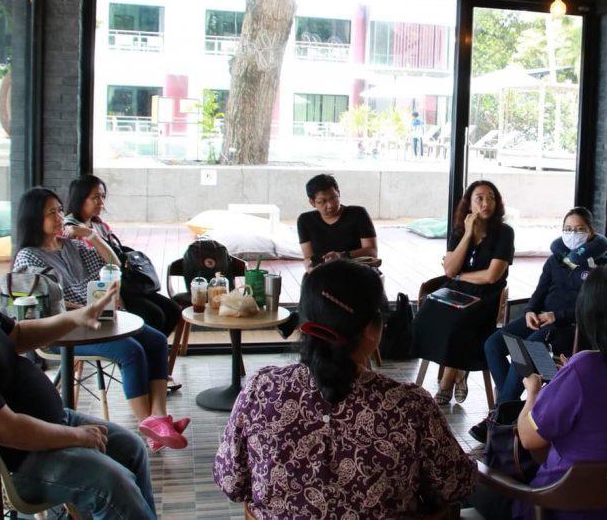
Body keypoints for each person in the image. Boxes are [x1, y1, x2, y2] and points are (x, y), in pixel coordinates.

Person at [0, 217, 157, 519]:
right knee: (111, 483)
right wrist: (78, 437)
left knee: (131, 448)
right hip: (9, 461)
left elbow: (17, 336)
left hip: (42, 426)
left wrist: (76, 317)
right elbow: (8, 429)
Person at [213, 260, 475, 517]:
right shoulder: (410, 406)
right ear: (371, 330)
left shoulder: (261, 390)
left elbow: (231, 482)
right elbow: (456, 485)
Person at [470, 263, 607, 520]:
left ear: (591, 315)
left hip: (550, 507)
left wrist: (533, 392)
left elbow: (528, 439)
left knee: (464, 477)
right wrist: (571, 378)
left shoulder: (585, 369)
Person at [13, 187, 189, 451]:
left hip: (99, 321)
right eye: (51, 212)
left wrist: (91, 235)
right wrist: (86, 310)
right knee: (130, 351)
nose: (60, 216)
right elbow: (44, 304)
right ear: (33, 218)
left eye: (60, 210)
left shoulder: (71, 245)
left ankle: (160, 418)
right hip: (61, 330)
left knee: (155, 341)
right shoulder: (28, 257)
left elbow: (113, 264)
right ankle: (150, 427)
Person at [471, 207, 607, 441]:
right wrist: (529, 312)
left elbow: (594, 306)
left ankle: (499, 416)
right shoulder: (556, 260)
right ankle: (511, 409)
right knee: (493, 344)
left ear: (591, 232)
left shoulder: (601, 265)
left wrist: (557, 316)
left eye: (579, 229)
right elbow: (539, 292)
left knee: (526, 350)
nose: (573, 234)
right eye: (568, 229)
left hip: (569, 327)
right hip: (539, 318)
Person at [412, 180, 514, 405]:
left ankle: (446, 381)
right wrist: (468, 235)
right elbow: (450, 270)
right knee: (427, 313)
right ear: (469, 204)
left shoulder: (504, 233)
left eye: (491, 198)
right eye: (480, 198)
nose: (486, 203)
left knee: (459, 322)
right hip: (457, 290)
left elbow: (491, 276)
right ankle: (459, 373)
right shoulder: (459, 231)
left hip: (487, 295)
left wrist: (460, 276)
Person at [65, 174, 181, 338]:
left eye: (103, 196)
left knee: (173, 310)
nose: (101, 202)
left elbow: (116, 256)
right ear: (80, 198)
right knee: (154, 315)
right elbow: (110, 262)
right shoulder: (71, 229)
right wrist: (91, 235)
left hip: (124, 282)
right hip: (103, 287)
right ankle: (141, 349)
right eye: (95, 197)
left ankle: (154, 350)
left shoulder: (99, 224)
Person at [296, 174, 378, 272]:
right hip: (323, 272)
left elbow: (372, 251)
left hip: (357, 271)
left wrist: (342, 255)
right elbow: (308, 257)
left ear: (339, 193)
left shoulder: (358, 213)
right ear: (312, 202)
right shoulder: (305, 220)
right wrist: (310, 267)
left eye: (333, 198)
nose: (330, 205)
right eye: (322, 201)